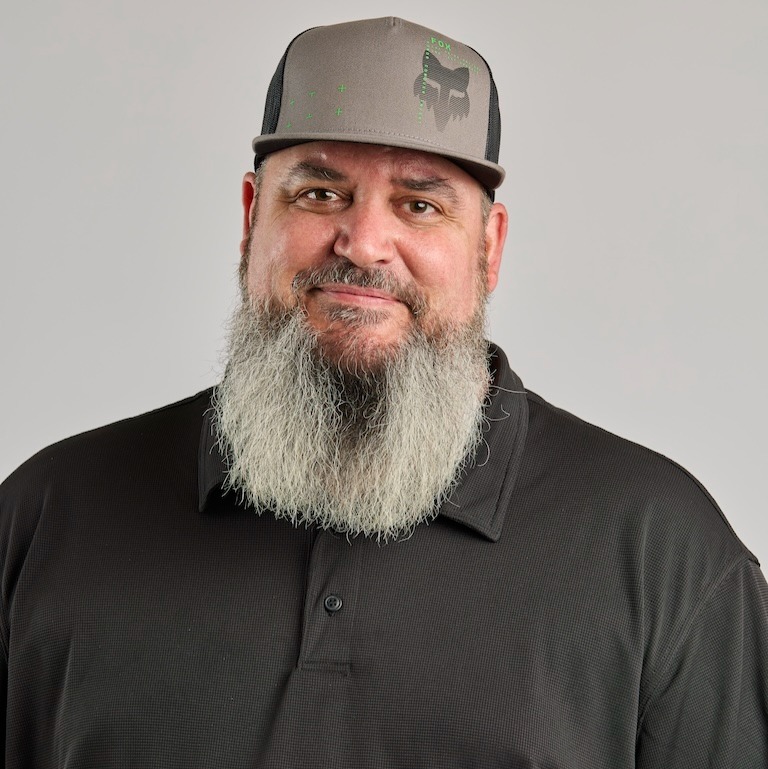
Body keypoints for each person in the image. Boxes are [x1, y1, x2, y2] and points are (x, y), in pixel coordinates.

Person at [0, 16, 766, 768]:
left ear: (489, 247)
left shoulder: (662, 553)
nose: (363, 243)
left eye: (419, 204)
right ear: (251, 216)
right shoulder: (47, 519)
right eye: (319, 193)